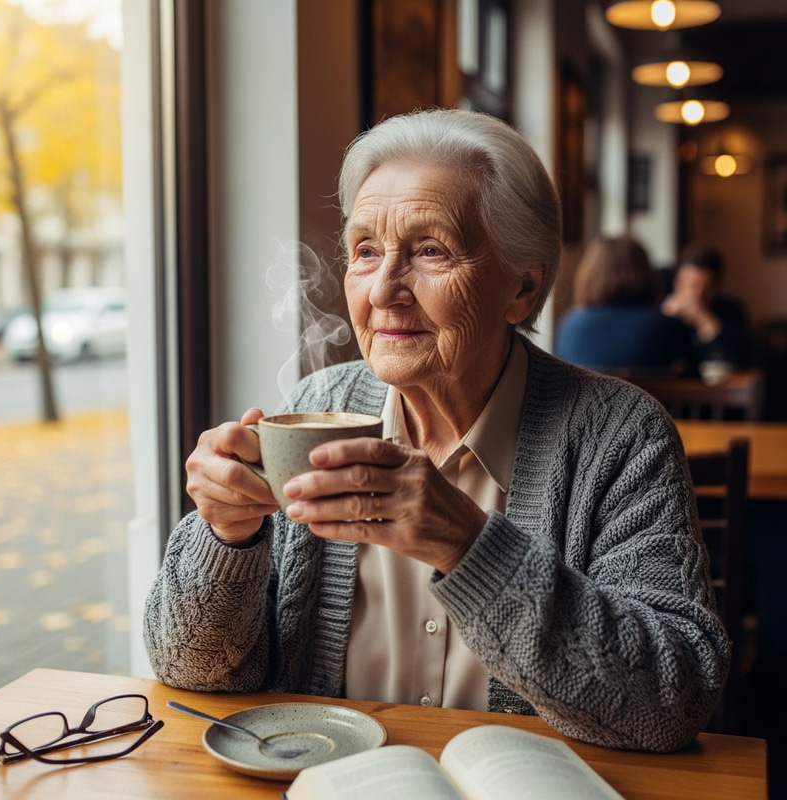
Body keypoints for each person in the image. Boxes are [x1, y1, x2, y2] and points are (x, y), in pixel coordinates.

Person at [144, 109, 728, 754]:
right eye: (365, 251)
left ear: (523, 289)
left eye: (430, 250)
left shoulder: (620, 435)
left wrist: (473, 549)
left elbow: (676, 700)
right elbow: (191, 670)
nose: (385, 290)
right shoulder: (318, 406)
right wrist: (225, 536)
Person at [555, 236, 693, 372]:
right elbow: (693, 377)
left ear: (590, 274)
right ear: (646, 271)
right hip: (653, 395)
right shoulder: (667, 325)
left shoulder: (570, 324)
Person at [661, 247, 750, 368]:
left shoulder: (732, 310)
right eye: (693, 285)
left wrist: (706, 323)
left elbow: (737, 362)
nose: (699, 294)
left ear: (717, 288)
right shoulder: (661, 312)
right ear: (677, 284)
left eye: (707, 288)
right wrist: (665, 319)